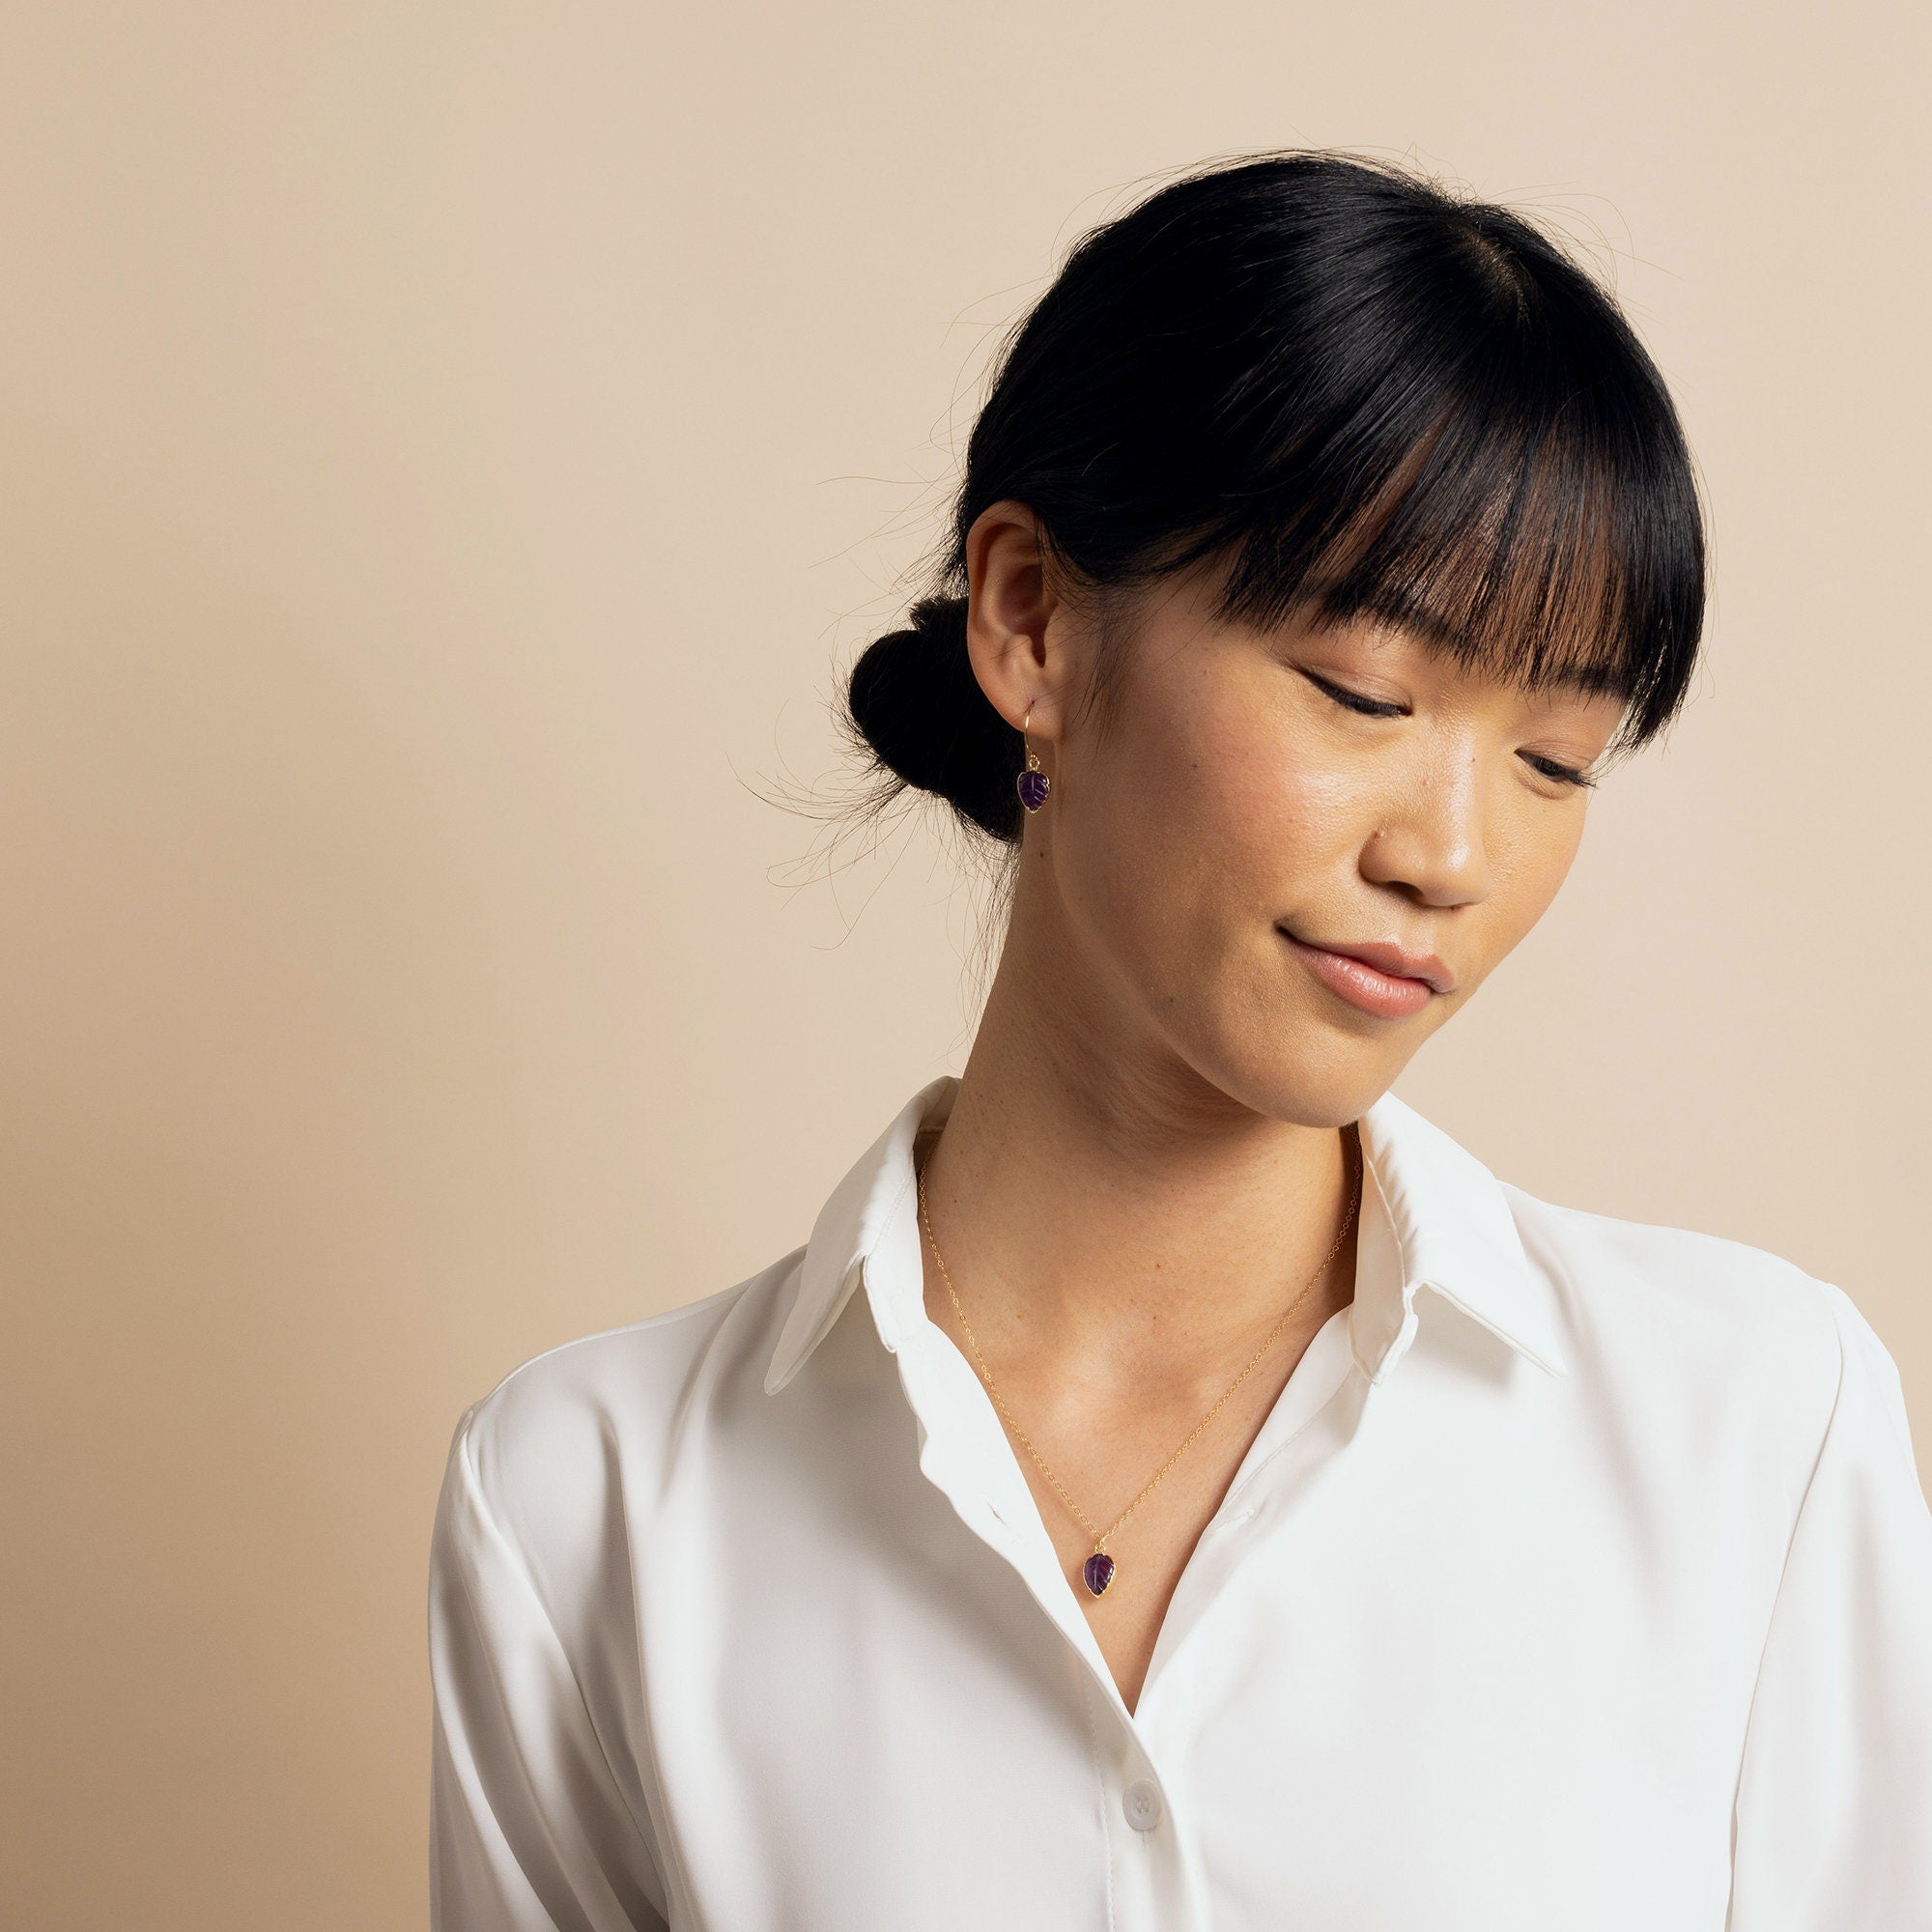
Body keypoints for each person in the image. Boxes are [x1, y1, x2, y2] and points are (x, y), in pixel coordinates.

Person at [426, 152, 1932, 1929]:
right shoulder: (585, 1503)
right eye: (1365, 695)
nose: (1450, 855)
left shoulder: (1751, 1427)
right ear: (1033, 620)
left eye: (1555, 764)